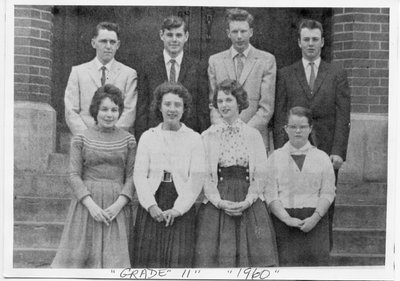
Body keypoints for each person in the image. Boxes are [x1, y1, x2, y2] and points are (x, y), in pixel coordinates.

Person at [273, 19, 350, 249]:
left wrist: (338, 152)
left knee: (325, 193)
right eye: (306, 39)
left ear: (323, 42)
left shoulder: (336, 73)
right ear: (299, 42)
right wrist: (279, 148)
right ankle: (293, 241)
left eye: (315, 39)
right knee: (293, 190)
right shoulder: (286, 74)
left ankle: (323, 246)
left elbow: (343, 115)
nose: (310, 44)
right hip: (294, 144)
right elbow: (279, 115)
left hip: (326, 144)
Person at [194, 79, 278, 268]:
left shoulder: (253, 135)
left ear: (239, 103)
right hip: (218, 201)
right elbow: (204, 175)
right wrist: (219, 201)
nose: (224, 105)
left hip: (248, 201)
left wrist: (249, 200)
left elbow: (261, 174)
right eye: (220, 101)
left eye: (229, 100)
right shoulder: (207, 136)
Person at [52, 84, 136, 268]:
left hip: (116, 207)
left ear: (120, 112)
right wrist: (91, 206)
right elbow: (74, 175)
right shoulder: (81, 138)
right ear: (95, 110)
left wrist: (118, 205)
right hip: (87, 206)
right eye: (104, 109)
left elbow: (131, 177)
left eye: (114, 110)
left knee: (114, 264)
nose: (109, 114)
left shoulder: (128, 140)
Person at [131, 82, 205, 268]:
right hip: (152, 204)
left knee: (177, 263)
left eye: (177, 105)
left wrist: (178, 209)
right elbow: (139, 175)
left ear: (184, 108)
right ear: (159, 106)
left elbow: (196, 179)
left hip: (180, 205)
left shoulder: (194, 138)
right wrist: (151, 206)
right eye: (167, 104)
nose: (172, 109)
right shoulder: (148, 136)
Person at [265, 106, 336, 266]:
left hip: (315, 221)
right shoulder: (275, 158)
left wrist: (315, 218)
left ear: (310, 128)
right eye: (293, 127)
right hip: (284, 223)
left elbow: (327, 193)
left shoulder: (322, 158)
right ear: (286, 129)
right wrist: (286, 219)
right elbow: (271, 195)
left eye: (303, 127)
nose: (298, 131)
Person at [208, 8, 276, 149]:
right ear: (228, 33)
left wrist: (244, 131)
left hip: (254, 138)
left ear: (251, 32)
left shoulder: (266, 60)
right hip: (222, 138)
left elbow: (266, 107)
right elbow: (212, 104)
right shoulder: (215, 61)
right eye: (234, 32)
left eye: (243, 31)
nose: (239, 36)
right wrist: (224, 129)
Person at [134, 15, 210, 141]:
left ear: (186, 36)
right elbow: (142, 110)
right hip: (155, 138)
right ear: (161, 35)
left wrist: (201, 140)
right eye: (169, 35)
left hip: (188, 137)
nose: (174, 40)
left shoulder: (198, 68)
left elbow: (202, 110)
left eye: (179, 35)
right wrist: (142, 140)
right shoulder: (147, 67)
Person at [65, 21, 137, 135]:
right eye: (103, 41)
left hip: (116, 142)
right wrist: (87, 137)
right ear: (94, 43)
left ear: (118, 45)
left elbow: (129, 112)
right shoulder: (78, 72)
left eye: (112, 42)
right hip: (84, 140)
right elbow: (71, 111)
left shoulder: (129, 74)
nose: (108, 46)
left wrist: (111, 137)